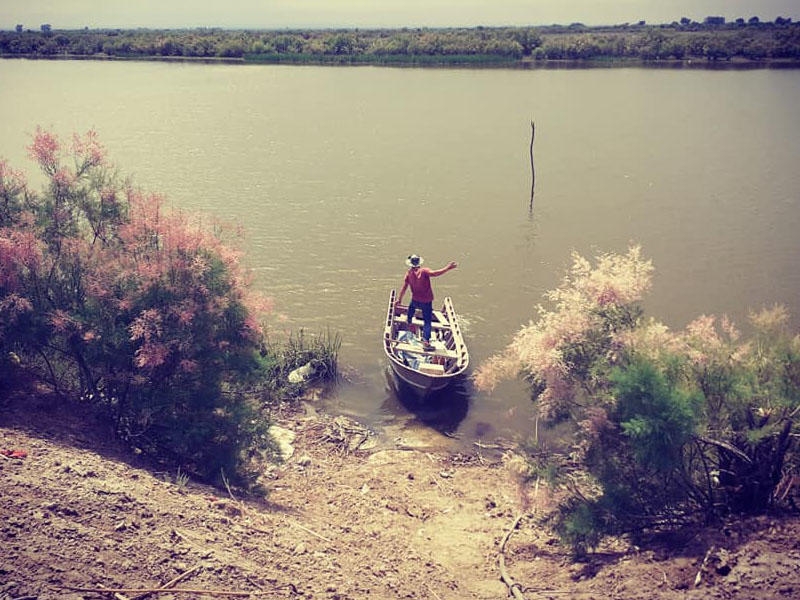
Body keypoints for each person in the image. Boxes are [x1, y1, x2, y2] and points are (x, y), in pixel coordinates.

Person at [396, 254, 458, 351]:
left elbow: (404, 288)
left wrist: (399, 300)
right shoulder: (424, 271)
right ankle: (426, 341)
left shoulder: (409, 273)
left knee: (410, 310)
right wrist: (447, 268)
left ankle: (409, 323)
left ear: (410, 264)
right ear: (419, 263)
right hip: (426, 301)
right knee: (427, 322)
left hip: (415, 300)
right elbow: (435, 273)